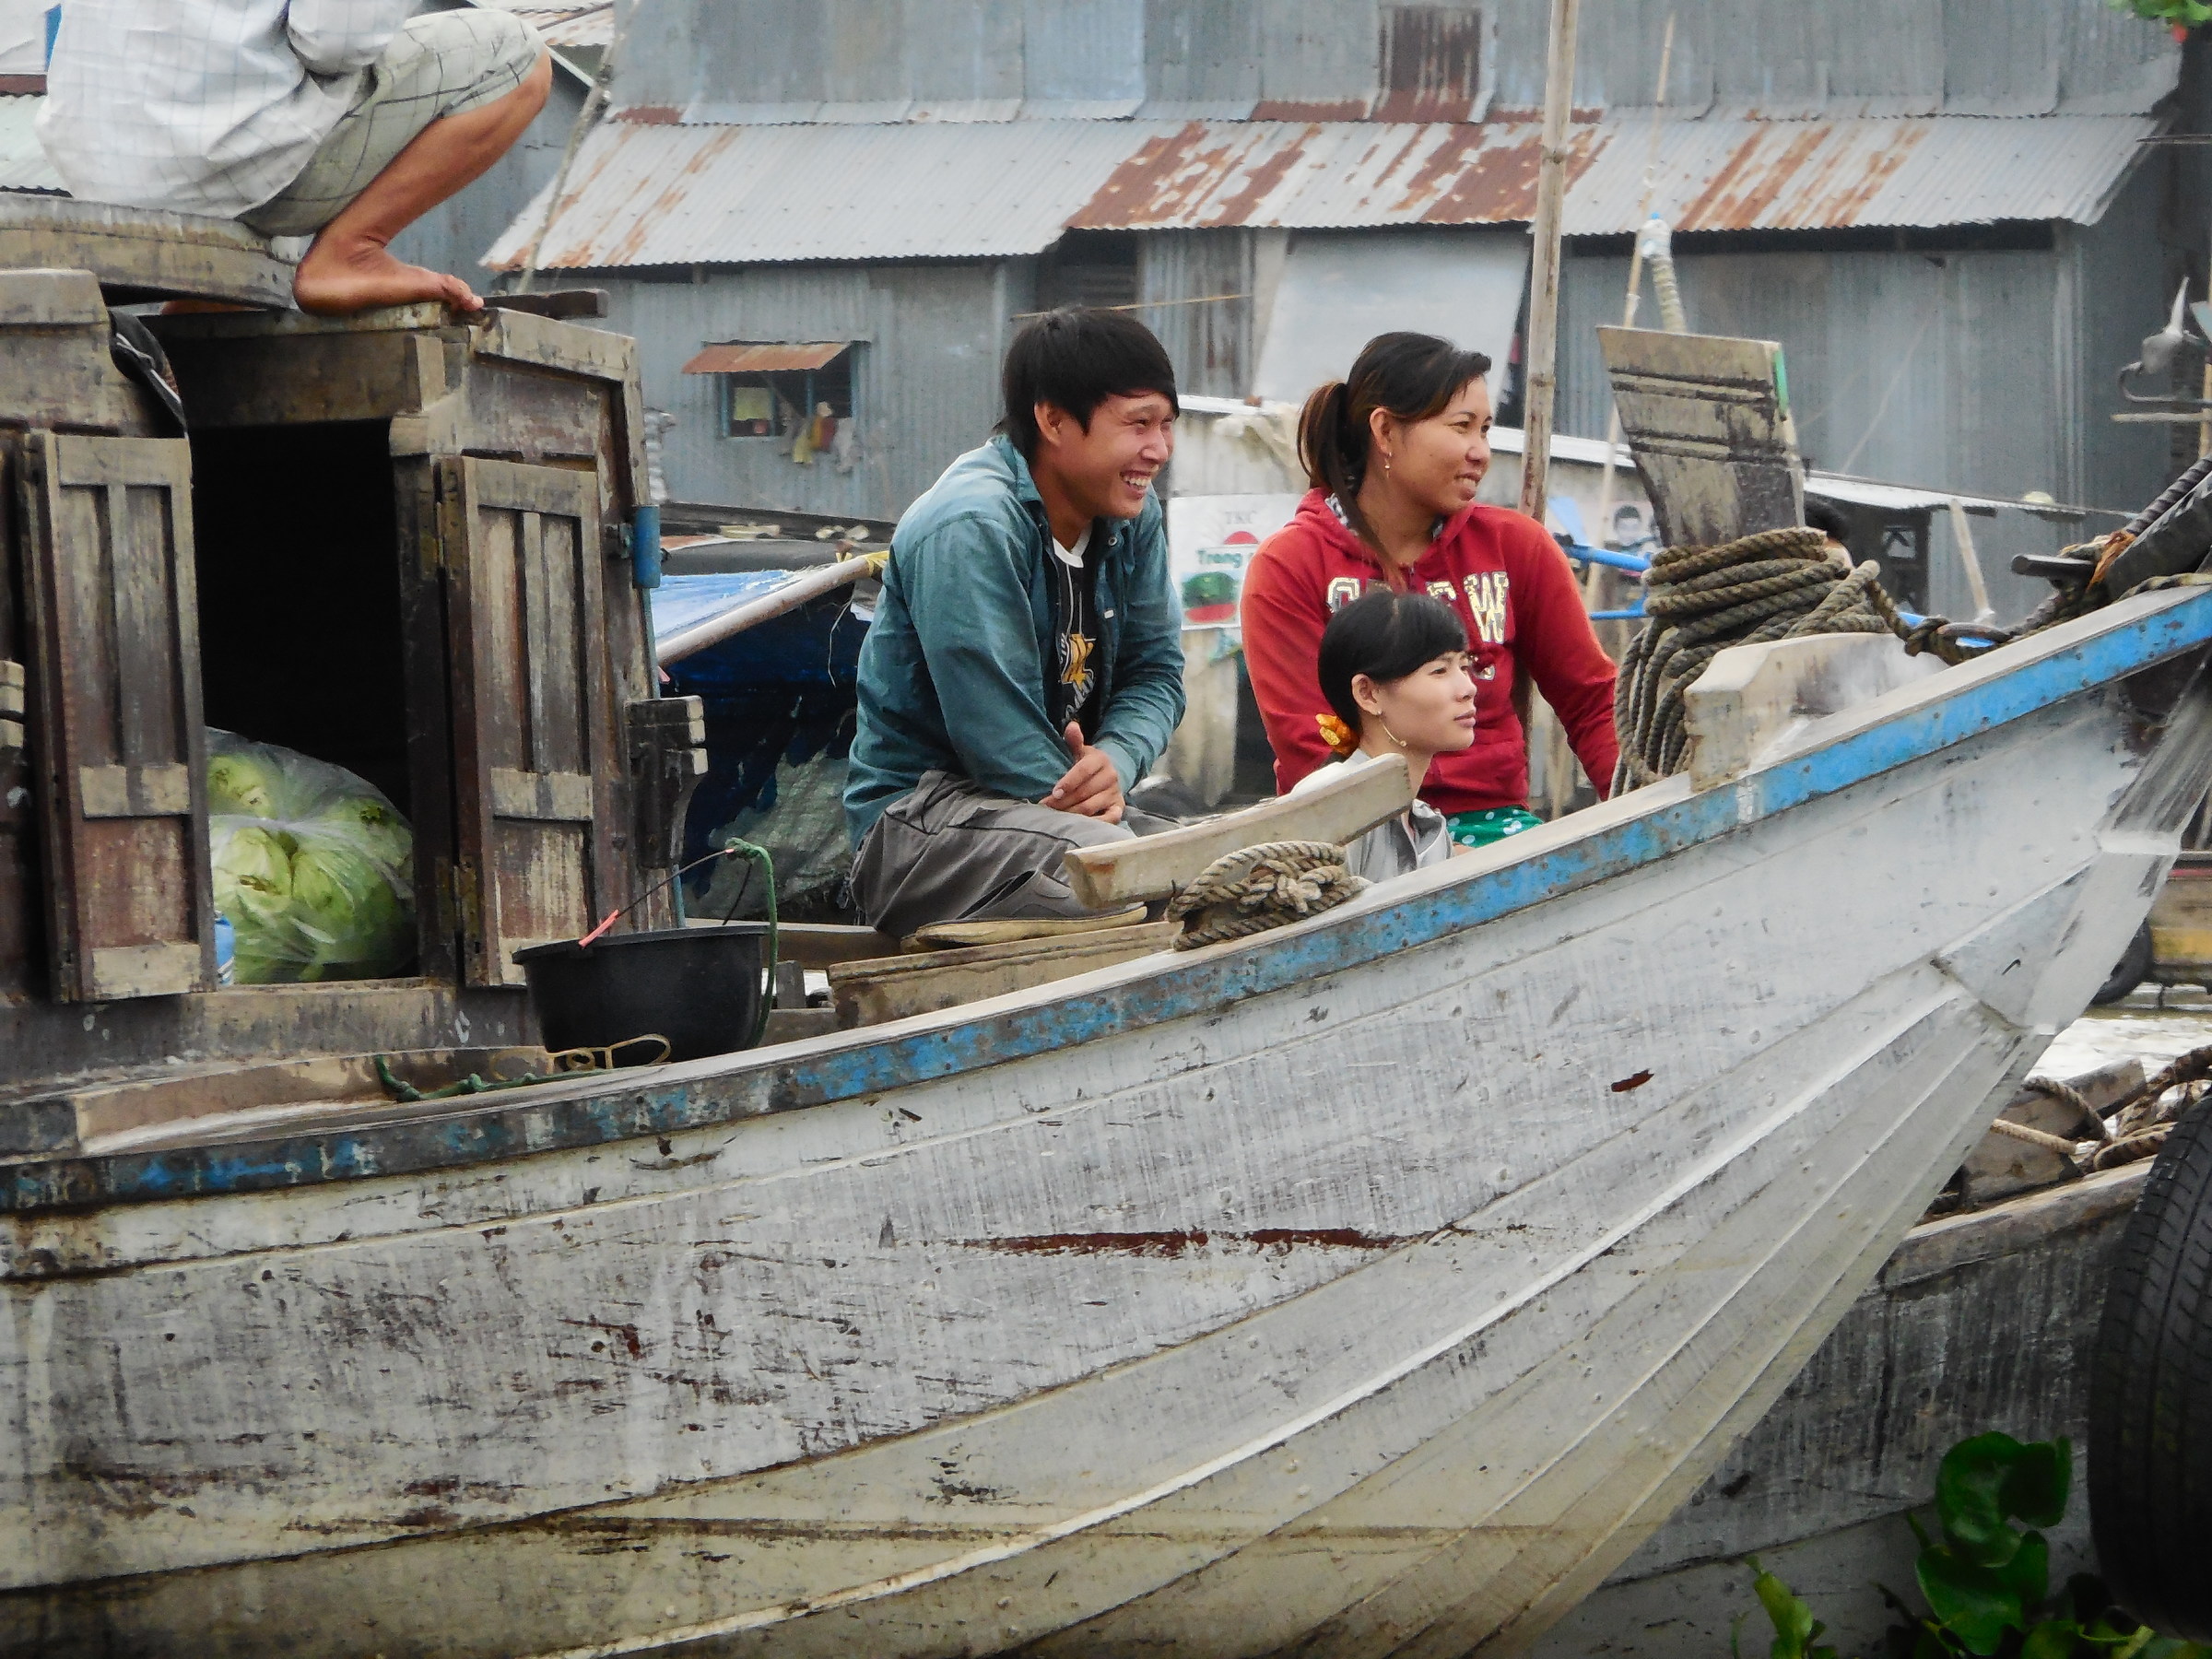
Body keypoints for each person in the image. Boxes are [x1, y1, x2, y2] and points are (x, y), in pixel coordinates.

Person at [843, 308, 1186, 940]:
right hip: (921, 826)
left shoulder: (1134, 514)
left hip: (1055, 817)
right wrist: (1093, 806)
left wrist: (1116, 759)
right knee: (1131, 882)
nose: (1158, 451)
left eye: (1167, 426)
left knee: (1229, 877)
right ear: (1053, 419)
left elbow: (1158, 674)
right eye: (1138, 425)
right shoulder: (971, 525)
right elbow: (997, 742)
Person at [1241, 332, 1619, 850]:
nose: (1481, 452)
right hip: (1351, 837)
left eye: (1486, 430)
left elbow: (1593, 701)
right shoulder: (1290, 566)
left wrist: (1637, 810)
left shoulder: (1517, 548)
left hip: (1499, 831)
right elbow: (1313, 744)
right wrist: (1427, 853)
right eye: (1461, 427)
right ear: (1386, 431)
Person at [39, 1, 550, 316]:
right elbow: (337, 43)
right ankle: (351, 253)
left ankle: (204, 306)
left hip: (99, 174)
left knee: (264, 75)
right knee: (518, 53)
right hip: (220, 163)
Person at [1291, 589, 1475, 883]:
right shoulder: (1332, 802)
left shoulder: (1427, 823)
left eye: (1464, 667)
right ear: (1368, 693)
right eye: (1440, 670)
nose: (1468, 688)